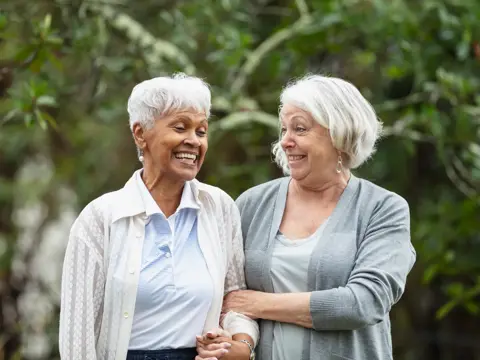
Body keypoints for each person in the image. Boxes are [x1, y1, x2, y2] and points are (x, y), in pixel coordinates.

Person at [199, 74, 416, 360]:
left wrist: (259, 303)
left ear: (340, 135)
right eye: (284, 129)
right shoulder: (251, 204)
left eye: (300, 129)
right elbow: (228, 298)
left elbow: (363, 303)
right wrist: (234, 343)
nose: (286, 141)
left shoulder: (382, 208)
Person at [59, 73, 258, 360]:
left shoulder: (219, 208)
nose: (193, 141)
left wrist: (238, 343)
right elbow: (76, 338)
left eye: (201, 132)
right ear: (140, 134)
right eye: (180, 128)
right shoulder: (100, 218)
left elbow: (235, 301)